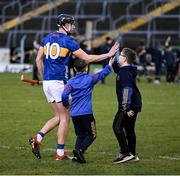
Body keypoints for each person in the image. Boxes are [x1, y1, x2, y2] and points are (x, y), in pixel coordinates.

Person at [29, 14, 119, 160]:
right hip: (58, 82)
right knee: (65, 117)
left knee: (59, 116)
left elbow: (39, 59)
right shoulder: (68, 41)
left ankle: (37, 138)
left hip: (47, 83)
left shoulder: (47, 38)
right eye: (71, 24)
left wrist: (43, 76)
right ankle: (59, 153)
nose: (73, 26)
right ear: (64, 24)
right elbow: (87, 58)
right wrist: (108, 55)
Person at [61, 57, 114, 163]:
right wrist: (109, 65)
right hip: (86, 113)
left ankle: (77, 156)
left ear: (75, 69)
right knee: (92, 135)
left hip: (74, 114)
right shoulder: (90, 79)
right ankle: (80, 150)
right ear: (86, 68)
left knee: (80, 135)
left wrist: (66, 104)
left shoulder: (70, 82)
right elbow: (101, 74)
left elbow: (64, 95)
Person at [112, 48, 142, 164]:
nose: (119, 56)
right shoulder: (127, 69)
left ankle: (126, 153)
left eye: (120, 55)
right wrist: (113, 54)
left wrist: (126, 108)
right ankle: (132, 154)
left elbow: (127, 90)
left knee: (117, 127)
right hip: (133, 104)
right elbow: (116, 68)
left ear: (124, 59)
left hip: (128, 105)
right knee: (129, 129)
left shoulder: (125, 72)